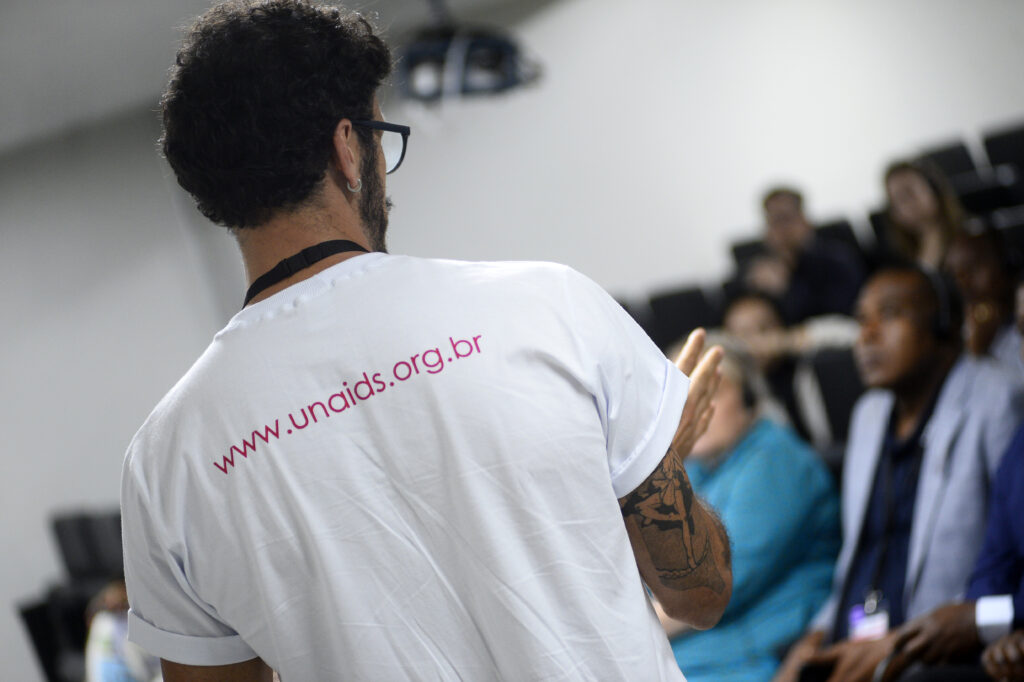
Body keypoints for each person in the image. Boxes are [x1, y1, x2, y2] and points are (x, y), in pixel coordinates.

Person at [119, 2, 731, 680]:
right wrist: (648, 463)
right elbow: (699, 593)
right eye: (381, 137)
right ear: (348, 148)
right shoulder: (547, 306)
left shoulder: (168, 462)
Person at [773, 265, 1024, 682]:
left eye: (889, 315)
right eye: (861, 320)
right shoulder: (868, 414)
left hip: (930, 648)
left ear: (942, 325)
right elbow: (859, 553)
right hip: (854, 638)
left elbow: (1003, 561)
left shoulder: (995, 401)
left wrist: (901, 644)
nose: (867, 336)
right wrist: (815, 635)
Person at [657, 337, 840, 682]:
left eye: (713, 391)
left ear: (750, 397)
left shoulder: (777, 462)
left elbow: (707, 590)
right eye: (683, 394)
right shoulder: (696, 464)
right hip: (709, 645)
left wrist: (624, 633)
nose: (694, 408)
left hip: (758, 652)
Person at [722, 290, 858, 451]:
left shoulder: (808, 364)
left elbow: (855, 334)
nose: (757, 341)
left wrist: (790, 340)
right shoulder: (741, 393)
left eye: (764, 329)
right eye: (744, 334)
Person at [743, 187, 865, 324]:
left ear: (804, 220)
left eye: (785, 219)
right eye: (772, 221)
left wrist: (788, 289)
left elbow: (843, 310)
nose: (780, 230)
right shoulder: (764, 271)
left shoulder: (837, 258)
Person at [942, 227, 1023, 377]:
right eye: (954, 275)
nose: (962, 282)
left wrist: (980, 355)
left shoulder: (1019, 329)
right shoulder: (957, 336)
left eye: (972, 268)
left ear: (1007, 264)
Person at [882, 160, 966, 271]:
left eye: (910, 191)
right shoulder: (900, 264)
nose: (908, 201)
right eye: (899, 198)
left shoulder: (971, 235)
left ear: (934, 189)